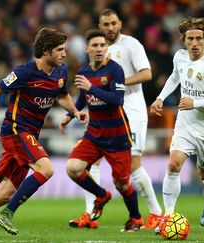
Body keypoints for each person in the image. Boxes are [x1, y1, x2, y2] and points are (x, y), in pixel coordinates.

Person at [0, 27, 87, 238]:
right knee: (46, 169)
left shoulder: (60, 72)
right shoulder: (25, 72)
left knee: (5, 194)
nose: (64, 54)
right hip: (16, 130)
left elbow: (61, 95)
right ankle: (7, 215)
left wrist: (75, 111)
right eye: (59, 50)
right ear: (46, 51)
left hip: (29, 135)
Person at [68, 9, 164, 230]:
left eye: (113, 23)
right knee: (90, 163)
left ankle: (156, 213)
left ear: (120, 23)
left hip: (131, 110)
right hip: (104, 113)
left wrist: (115, 83)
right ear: (100, 27)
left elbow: (147, 73)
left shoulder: (132, 45)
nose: (110, 28)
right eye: (106, 24)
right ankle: (91, 215)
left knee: (134, 165)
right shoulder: (98, 48)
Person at [150, 17, 204, 229]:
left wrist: (196, 103)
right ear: (184, 41)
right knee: (173, 163)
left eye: (198, 38)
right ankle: (168, 217)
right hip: (185, 123)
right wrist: (160, 98)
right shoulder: (180, 57)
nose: (194, 43)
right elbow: (174, 77)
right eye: (189, 39)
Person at [59, 29, 142, 232]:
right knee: (73, 168)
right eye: (95, 45)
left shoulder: (115, 70)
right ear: (87, 48)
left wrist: (91, 88)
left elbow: (117, 100)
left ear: (107, 48)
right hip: (94, 134)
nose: (99, 49)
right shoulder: (83, 72)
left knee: (122, 183)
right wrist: (71, 115)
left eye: (102, 45)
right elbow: (82, 98)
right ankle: (102, 195)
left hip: (117, 136)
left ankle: (136, 219)